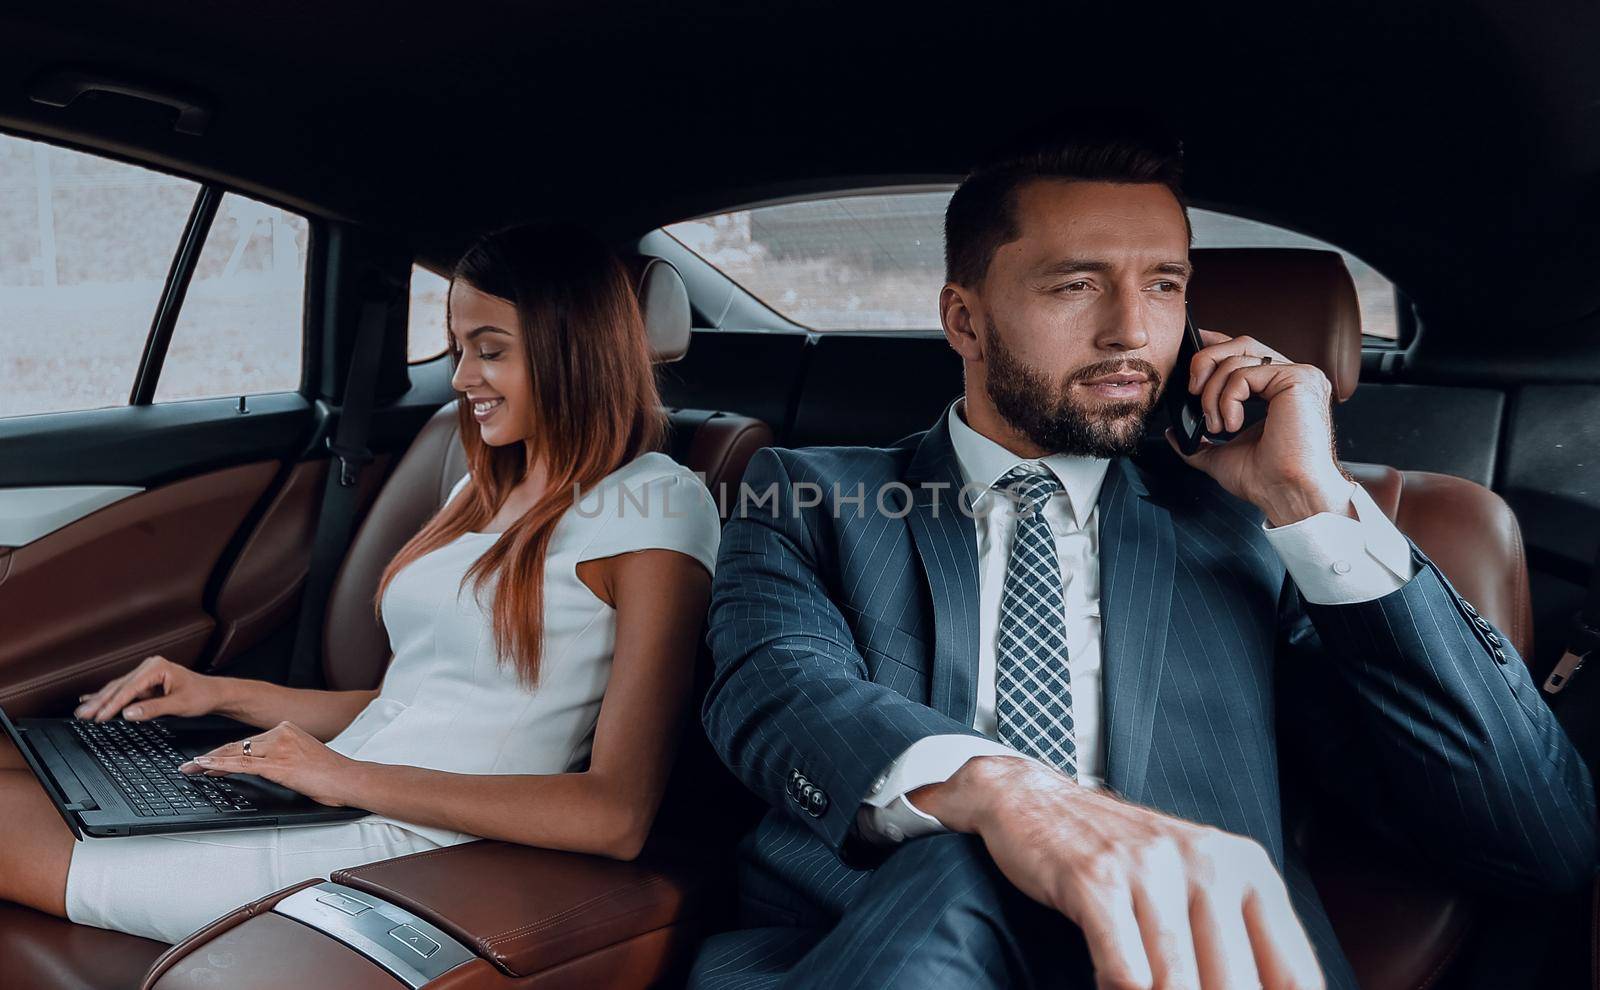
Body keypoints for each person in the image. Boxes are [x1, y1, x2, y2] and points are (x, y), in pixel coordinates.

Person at [690, 135, 1597, 989]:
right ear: (963, 320)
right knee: (962, 862)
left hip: (1189, 961)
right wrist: (1011, 800)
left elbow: (1539, 836)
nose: (1131, 330)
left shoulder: (1255, 531)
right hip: (870, 947)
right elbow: (774, 690)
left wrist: (1309, 503)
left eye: (1164, 285)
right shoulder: (812, 494)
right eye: (1076, 285)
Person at [0, 223, 722, 945]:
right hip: (339, 800)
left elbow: (616, 815)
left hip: (413, 849)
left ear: (575, 353)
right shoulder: (484, 483)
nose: (464, 375)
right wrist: (224, 695)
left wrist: (341, 778)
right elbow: (406, 705)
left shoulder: (654, 501)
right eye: (462, 345)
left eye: (490, 351)